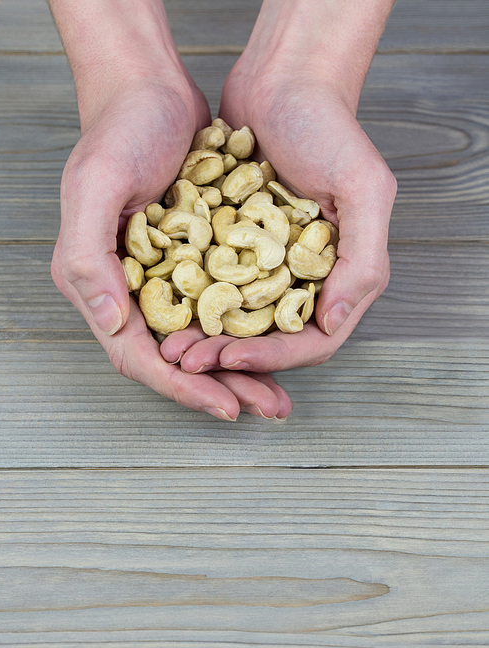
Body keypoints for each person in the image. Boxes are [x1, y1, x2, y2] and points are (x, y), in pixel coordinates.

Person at [48, 0, 397, 421]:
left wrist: (303, 70)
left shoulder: (248, 234)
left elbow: (247, 256)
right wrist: (128, 80)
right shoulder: (209, 229)